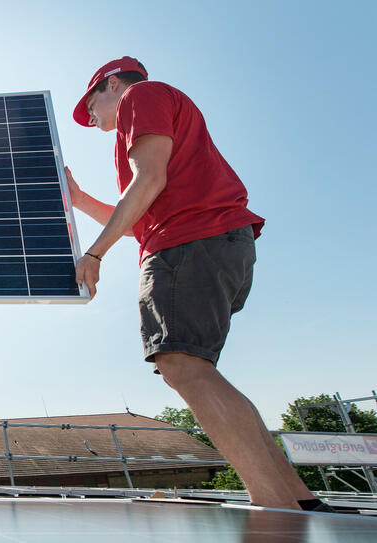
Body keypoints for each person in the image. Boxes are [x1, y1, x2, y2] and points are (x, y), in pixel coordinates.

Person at [65, 56, 331, 512]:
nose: (89, 118)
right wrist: (82, 201)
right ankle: (299, 500)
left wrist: (94, 254)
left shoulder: (140, 96)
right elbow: (142, 216)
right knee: (199, 370)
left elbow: (149, 179)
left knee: (183, 367)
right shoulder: (160, 108)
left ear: (110, 84)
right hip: (215, 241)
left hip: (191, 243)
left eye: (90, 103)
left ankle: (274, 509)